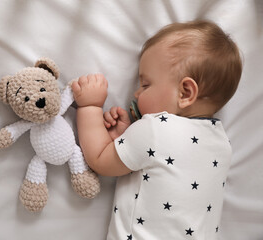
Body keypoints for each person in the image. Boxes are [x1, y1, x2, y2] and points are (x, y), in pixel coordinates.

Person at [71, 20, 242, 239]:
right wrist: (126, 138)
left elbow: (99, 159)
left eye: (145, 85)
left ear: (185, 93)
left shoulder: (154, 128)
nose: (136, 94)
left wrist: (90, 106)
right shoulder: (222, 144)